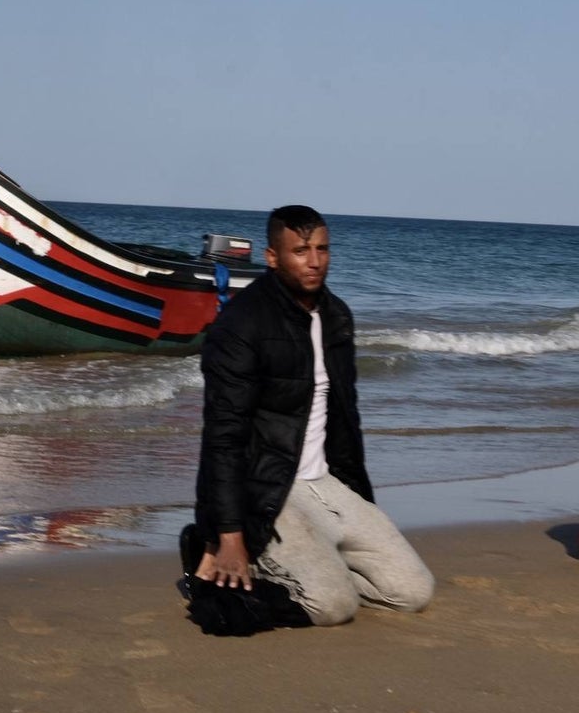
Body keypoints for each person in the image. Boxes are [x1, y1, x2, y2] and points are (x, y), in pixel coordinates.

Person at [181, 205, 434, 634]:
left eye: (322, 249)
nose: (314, 261)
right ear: (273, 257)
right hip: (269, 490)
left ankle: (307, 570)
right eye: (300, 251)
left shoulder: (337, 317)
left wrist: (359, 498)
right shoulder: (241, 325)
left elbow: (344, 421)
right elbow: (223, 438)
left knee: (413, 593)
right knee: (333, 606)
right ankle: (212, 557)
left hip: (327, 485)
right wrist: (228, 533)